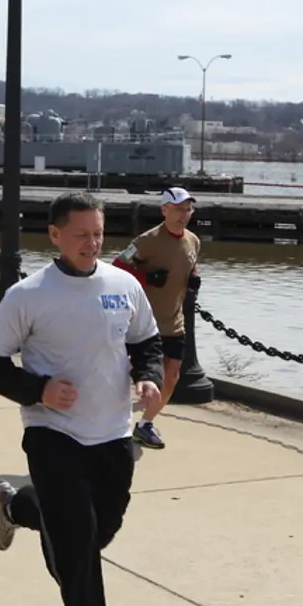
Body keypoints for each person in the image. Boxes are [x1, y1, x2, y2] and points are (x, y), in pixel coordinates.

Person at [0, 191, 163, 606]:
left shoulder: (123, 284)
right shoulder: (29, 295)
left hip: (112, 432)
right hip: (52, 432)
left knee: (100, 530)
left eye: (98, 233)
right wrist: (38, 389)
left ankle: (16, 507)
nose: (92, 242)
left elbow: (146, 341)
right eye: (81, 234)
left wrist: (148, 377)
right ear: (55, 235)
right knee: (78, 542)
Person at [110, 186, 201, 449]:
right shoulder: (146, 241)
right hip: (143, 323)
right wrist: (147, 277)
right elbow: (117, 266)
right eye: (179, 209)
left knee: (171, 377)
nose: (184, 215)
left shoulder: (193, 241)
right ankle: (111, 422)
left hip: (174, 321)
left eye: (188, 209)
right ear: (165, 210)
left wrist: (193, 278)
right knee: (135, 375)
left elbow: (189, 265)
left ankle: (145, 425)